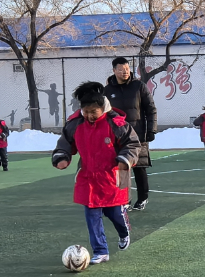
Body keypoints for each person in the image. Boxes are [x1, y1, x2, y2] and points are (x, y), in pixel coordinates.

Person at [51, 82, 140, 265]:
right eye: (86, 112)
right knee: (92, 215)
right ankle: (101, 251)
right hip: (88, 177)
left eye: (94, 112)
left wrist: (124, 159)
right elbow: (65, 142)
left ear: (103, 108)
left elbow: (132, 144)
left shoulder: (116, 123)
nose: (90, 116)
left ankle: (124, 232)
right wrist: (62, 156)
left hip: (116, 175)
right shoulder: (75, 123)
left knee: (114, 213)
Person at [106, 57, 157, 211]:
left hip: (138, 134)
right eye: (121, 69)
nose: (125, 72)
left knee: (139, 168)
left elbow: (151, 109)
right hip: (118, 137)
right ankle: (124, 200)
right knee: (122, 168)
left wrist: (151, 130)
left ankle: (143, 198)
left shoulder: (139, 87)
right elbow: (104, 115)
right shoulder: (107, 91)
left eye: (127, 69)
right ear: (114, 70)